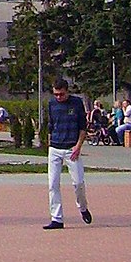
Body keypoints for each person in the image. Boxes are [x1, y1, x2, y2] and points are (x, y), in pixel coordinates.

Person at [44, 76, 92, 229]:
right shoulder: (51, 104)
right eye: (56, 94)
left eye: (62, 94)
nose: (59, 97)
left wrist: (78, 146)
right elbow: (50, 125)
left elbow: (83, 127)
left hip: (72, 148)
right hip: (55, 148)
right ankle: (56, 218)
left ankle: (83, 208)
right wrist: (49, 144)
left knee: (78, 183)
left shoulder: (76, 103)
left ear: (67, 91)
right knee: (53, 184)